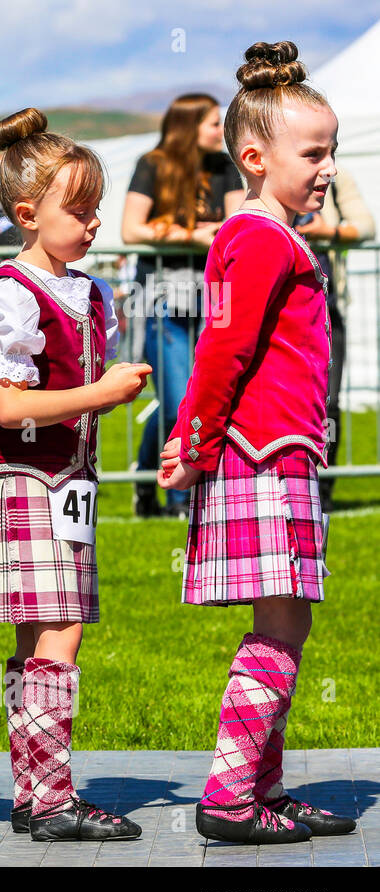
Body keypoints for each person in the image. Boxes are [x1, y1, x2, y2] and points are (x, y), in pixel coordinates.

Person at [158, 41, 356, 844]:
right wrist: (194, 443)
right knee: (280, 624)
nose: (329, 167)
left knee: (292, 622)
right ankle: (231, 796)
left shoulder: (272, 237)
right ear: (254, 157)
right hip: (261, 454)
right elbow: (221, 354)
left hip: (283, 452)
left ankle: (262, 787)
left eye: (332, 151)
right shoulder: (260, 239)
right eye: (313, 152)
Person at [0, 108, 151, 843]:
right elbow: (7, 406)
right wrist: (99, 395)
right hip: (27, 479)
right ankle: (55, 797)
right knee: (56, 636)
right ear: (28, 214)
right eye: (80, 209)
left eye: (97, 209)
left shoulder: (90, 293)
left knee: (43, 637)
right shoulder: (8, 291)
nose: (94, 223)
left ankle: (35, 792)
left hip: (70, 482)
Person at [123, 93, 245, 518]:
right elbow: (130, 229)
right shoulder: (152, 164)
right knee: (177, 401)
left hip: (213, 298)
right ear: (189, 126)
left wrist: (195, 232)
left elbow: (233, 226)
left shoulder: (226, 168)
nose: (221, 130)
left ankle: (144, 474)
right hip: (161, 297)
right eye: (214, 123)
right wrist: (190, 235)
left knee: (196, 397)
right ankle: (182, 499)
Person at [292, 165, 373, 511]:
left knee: (329, 404)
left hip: (328, 310)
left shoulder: (339, 182)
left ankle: (322, 490)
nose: (327, 164)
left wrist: (332, 232)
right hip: (285, 312)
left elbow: (366, 225)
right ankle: (292, 484)